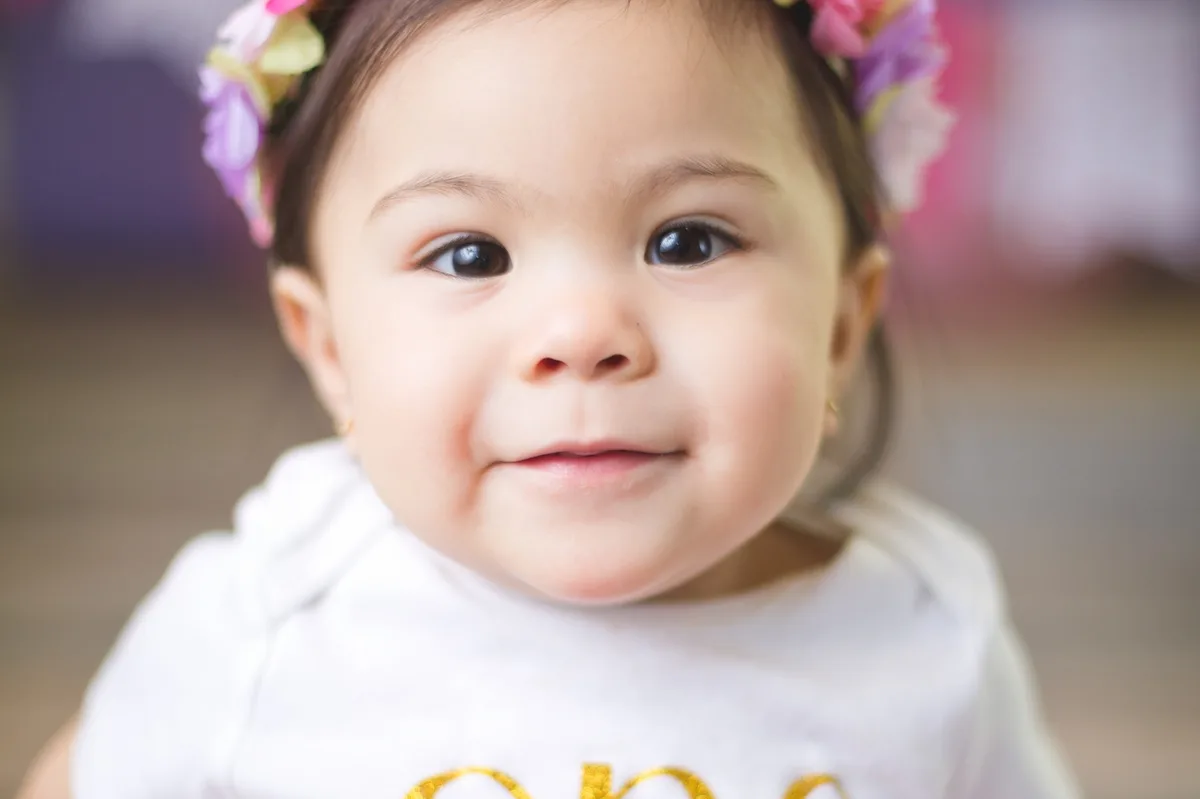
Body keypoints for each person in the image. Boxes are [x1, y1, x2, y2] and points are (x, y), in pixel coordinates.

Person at [19, 0, 1080, 796]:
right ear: (330, 345)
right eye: (470, 254)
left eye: (688, 239)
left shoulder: (923, 631)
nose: (581, 336)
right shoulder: (265, 615)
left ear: (843, 326)